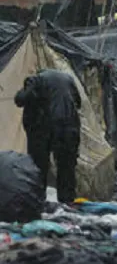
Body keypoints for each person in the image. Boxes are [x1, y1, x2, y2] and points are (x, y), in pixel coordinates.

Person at [14, 69, 82, 204]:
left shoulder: (35, 79)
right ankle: (67, 202)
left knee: (39, 165)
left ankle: (38, 200)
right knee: (66, 167)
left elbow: (20, 99)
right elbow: (78, 103)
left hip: (45, 128)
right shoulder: (68, 78)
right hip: (70, 127)